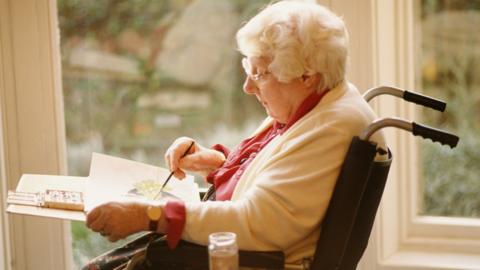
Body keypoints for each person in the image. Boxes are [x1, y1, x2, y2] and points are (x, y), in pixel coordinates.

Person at [85, 0, 386, 269]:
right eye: (248, 68)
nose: (248, 87)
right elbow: (285, 181)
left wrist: (147, 215)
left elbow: (256, 222)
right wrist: (219, 162)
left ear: (307, 76)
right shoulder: (318, 104)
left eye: (259, 73)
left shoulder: (329, 128)